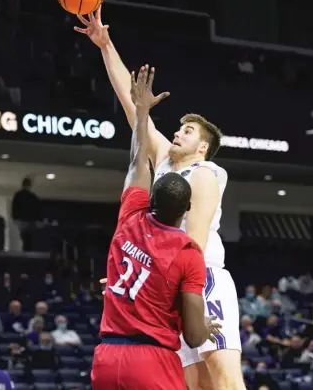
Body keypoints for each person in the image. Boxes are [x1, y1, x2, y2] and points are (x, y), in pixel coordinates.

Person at [76, 8, 243, 390]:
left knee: (224, 380)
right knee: (191, 381)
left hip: (201, 280)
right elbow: (135, 105)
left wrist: (164, 283)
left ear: (204, 145)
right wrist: (104, 44)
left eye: (188, 130)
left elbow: (194, 245)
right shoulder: (166, 160)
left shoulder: (206, 174)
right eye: (180, 127)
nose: (179, 132)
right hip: (169, 279)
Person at [91, 65, 221, 390]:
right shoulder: (187, 253)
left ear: (150, 199)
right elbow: (193, 334)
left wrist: (141, 112)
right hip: (151, 359)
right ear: (187, 209)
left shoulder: (130, 217)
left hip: (107, 356)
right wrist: (204, 325)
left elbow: (137, 161)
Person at [11, 177, 42, 251]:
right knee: (29, 237)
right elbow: (37, 209)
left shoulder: (18, 195)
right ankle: (28, 250)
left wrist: (15, 218)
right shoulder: (32, 197)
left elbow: (15, 207)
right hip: (30, 220)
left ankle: (26, 250)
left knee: (25, 236)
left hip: (22, 220)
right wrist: (39, 220)